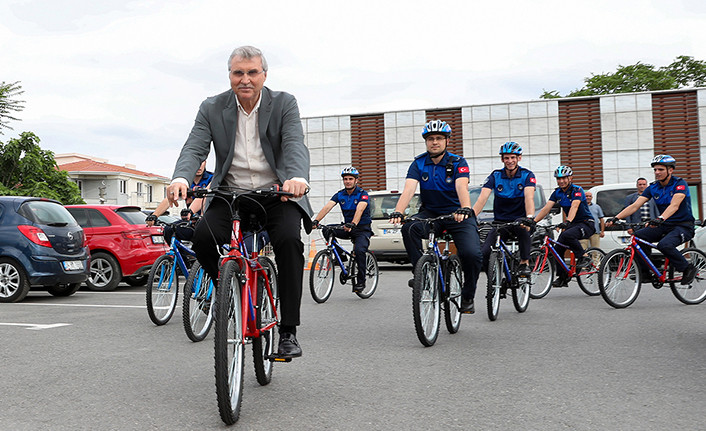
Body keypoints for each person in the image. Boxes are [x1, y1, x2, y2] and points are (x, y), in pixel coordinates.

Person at [167, 45, 312, 358]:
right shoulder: (212, 107)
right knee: (203, 239)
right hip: (230, 193)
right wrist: (181, 178)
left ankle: (288, 329)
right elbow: (194, 147)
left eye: (252, 73)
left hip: (276, 193)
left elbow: (294, 144)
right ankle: (228, 290)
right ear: (230, 75)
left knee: (289, 242)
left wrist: (297, 178)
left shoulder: (284, 103)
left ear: (264, 75)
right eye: (238, 73)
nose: (245, 79)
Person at [389, 120, 482, 314]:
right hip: (431, 213)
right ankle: (420, 272)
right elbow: (409, 189)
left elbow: (461, 187)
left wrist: (465, 208)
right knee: (410, 228)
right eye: (430, 139)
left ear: (447, 141)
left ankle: (468, 295)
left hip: (458, 213)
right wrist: (399, 211)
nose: (434, 142)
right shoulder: (419, 163)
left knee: (472, 254)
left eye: (439, 138)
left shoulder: (458, 162)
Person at [607, 155, 697, 285]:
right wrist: (616, 218)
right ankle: (645, 273)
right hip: (664, 224)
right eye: (655, 170)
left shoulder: (680, 184)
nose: (657, 173)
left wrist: (660, 218)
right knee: (638, 237)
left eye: (660, 169)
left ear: (670, 170)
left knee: (664, 245)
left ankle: (688, 269)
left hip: (683, 225)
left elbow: (674, 205)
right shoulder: (653, 187)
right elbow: (635, 205)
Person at [472, 141, 536, 278]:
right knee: (485, 252)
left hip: (520, 219)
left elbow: (529, 198)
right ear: (502, 159)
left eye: (513, 157)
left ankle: (524, 262)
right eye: (506, 158)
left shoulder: (527, 175)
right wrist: (472, 216)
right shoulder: (495, 175)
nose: (510, 161)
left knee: (523, 227)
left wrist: (530, 217)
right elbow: (482, 198)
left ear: (519, 158)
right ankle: (496, 279)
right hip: (501, 222)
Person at [312, 166, 372, 293]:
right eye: (345, 179)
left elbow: (359, 210)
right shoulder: (340, 195)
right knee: (327, 230)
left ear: (356, 180)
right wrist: (316, 221)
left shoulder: (363, 194)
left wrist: (353, 223)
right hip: (347, 227)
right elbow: (327, 207)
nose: (348, 181)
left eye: (351, 179)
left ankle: (361, 282)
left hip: (361, 229)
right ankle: (341, 256)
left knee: (360, 251)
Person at [533, 165, 595, 287]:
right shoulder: (557, 193)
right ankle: (563, 277)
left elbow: (575, 206)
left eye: (564, 178)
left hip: (586, 223)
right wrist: (534, 222)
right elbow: (546, 208)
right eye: (559, 179)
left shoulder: (577, 190)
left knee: (567, 235)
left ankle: (584, 256)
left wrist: (567, 221)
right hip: (572, 225)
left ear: (570, 178)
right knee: (557, 249)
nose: (561, 181)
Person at [147, 160, 213, 244]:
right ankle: (181, 256)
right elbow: (169, 199)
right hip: (192, 221)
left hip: (209, 220)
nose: (199, 166)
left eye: (201, 163)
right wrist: (154, 215)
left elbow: (203, 197)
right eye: (196, 163)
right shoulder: (185, 182)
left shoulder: (212, 178)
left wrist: (190, 211)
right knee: (169, 230)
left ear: (205, 162)